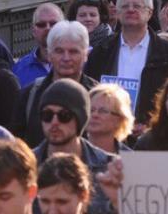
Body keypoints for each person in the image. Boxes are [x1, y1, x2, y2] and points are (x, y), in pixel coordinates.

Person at [83, 0, 168, 124]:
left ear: (150, 12)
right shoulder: (100, 52)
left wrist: (151, 126)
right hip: (108, 135)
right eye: (125, 6)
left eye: (137, 6)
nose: (131, 10)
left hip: (154, 139)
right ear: (118, 12)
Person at [32, 79, 115, 214]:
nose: (54, 122)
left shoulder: (110, 169)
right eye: (47, 115)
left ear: (80, 118)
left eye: (64, 116)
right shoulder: (24, 167)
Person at [11, 22, 95, 147]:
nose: (66, 58)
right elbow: (16, 145)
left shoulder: (98, 95)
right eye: (59, 51)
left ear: (85, 55)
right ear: (49, 55)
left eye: (73, 52)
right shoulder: (30, 95)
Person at [10, 4, 64, 88]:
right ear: (33, 31)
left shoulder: (81, 62)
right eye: (41, 24)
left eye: (53, 23)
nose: (48, 28)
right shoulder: (19, 70)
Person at [86, 84, 133, 155]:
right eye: (91, 110)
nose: (95, 115)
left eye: (103, 111)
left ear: (119, 119)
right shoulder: (71, 152)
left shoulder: (130, 159)